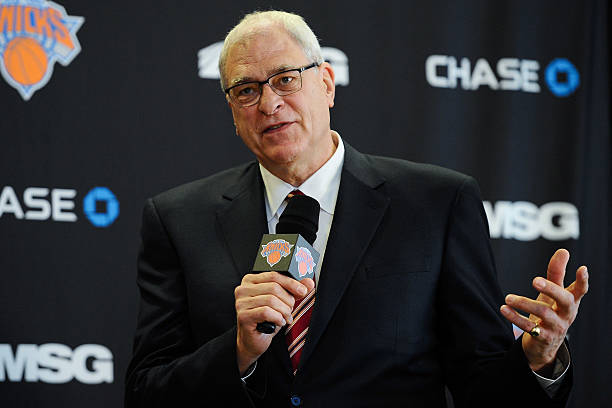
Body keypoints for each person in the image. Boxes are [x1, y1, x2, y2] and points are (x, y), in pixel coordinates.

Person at [125, 11, 589, 408]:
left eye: (286, 79)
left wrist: (539, 357)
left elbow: (483, 387)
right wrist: (239, 352)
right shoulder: (178, 218)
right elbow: (146, 392)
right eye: (246, 90)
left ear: (326, 83)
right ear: (231, 108)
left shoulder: (436, 203)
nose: (269, 103)